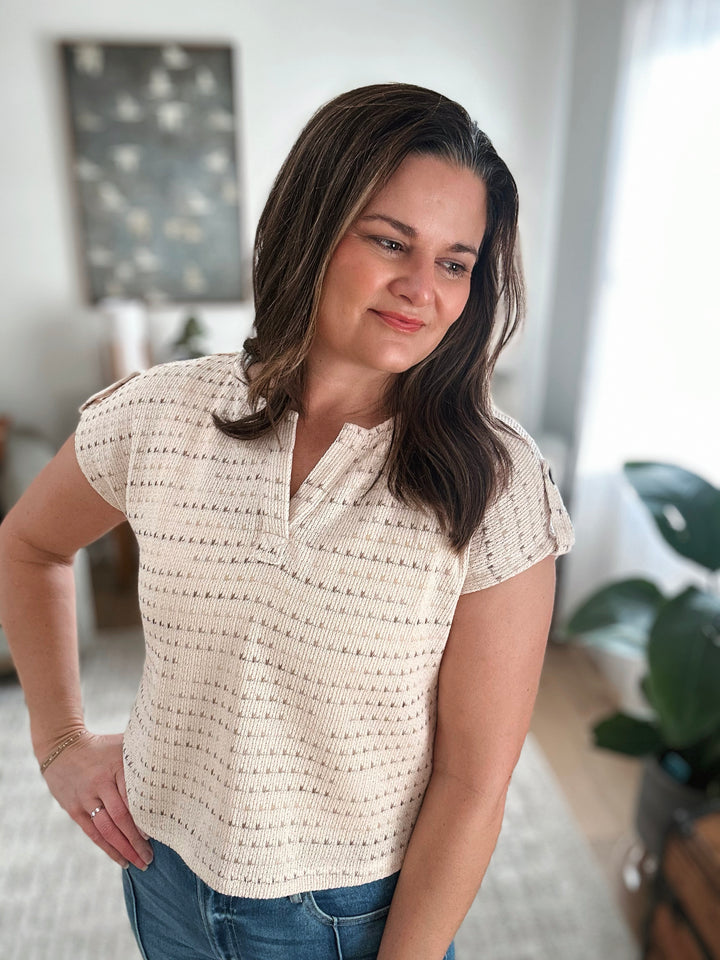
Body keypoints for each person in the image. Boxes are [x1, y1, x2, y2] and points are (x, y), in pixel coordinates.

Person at [0, 83, 574, 960]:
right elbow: (30, 544)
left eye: (456, 262)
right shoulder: (162, 414)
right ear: (312, 227)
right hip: (163, 878)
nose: (422, 290)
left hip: (357, 918)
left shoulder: (498, 486)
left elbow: (471, 784)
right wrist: (61, 743)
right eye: (390, 241)